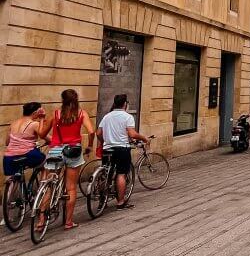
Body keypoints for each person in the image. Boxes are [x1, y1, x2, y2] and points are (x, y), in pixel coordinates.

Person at [41, 89, 95, 230]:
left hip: (56, 150)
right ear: (76, 98)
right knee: (70, 187)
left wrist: (41, 120)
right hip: (73, 151)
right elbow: (91, 131)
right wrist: (89, 146)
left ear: (62, 99)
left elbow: (42, 134)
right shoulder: (82, 114)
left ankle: (40, 221)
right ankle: (68, 222)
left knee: (48, 186)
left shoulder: (55, 114)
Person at [97, 94, 149, 209]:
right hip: (121, 149)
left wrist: (104, 142)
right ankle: (120, 202)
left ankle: (102, 200)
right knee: (121, 174)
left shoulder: (107, 116)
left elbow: (98, 133)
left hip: (107, 149)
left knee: (106, 174)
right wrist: (144, 138)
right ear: (125, 104)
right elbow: (132, 134)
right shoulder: (127, 117)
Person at [3, 101, 48, 180]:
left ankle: (9, 190)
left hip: (8, 157)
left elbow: (7, 142)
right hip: (28, 155)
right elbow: (46, 137)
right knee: (45, 163)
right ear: (35, 112)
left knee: (10, 179)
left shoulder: (13, 124)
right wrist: (42, 119)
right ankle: (45, 190)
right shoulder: (34, 124)